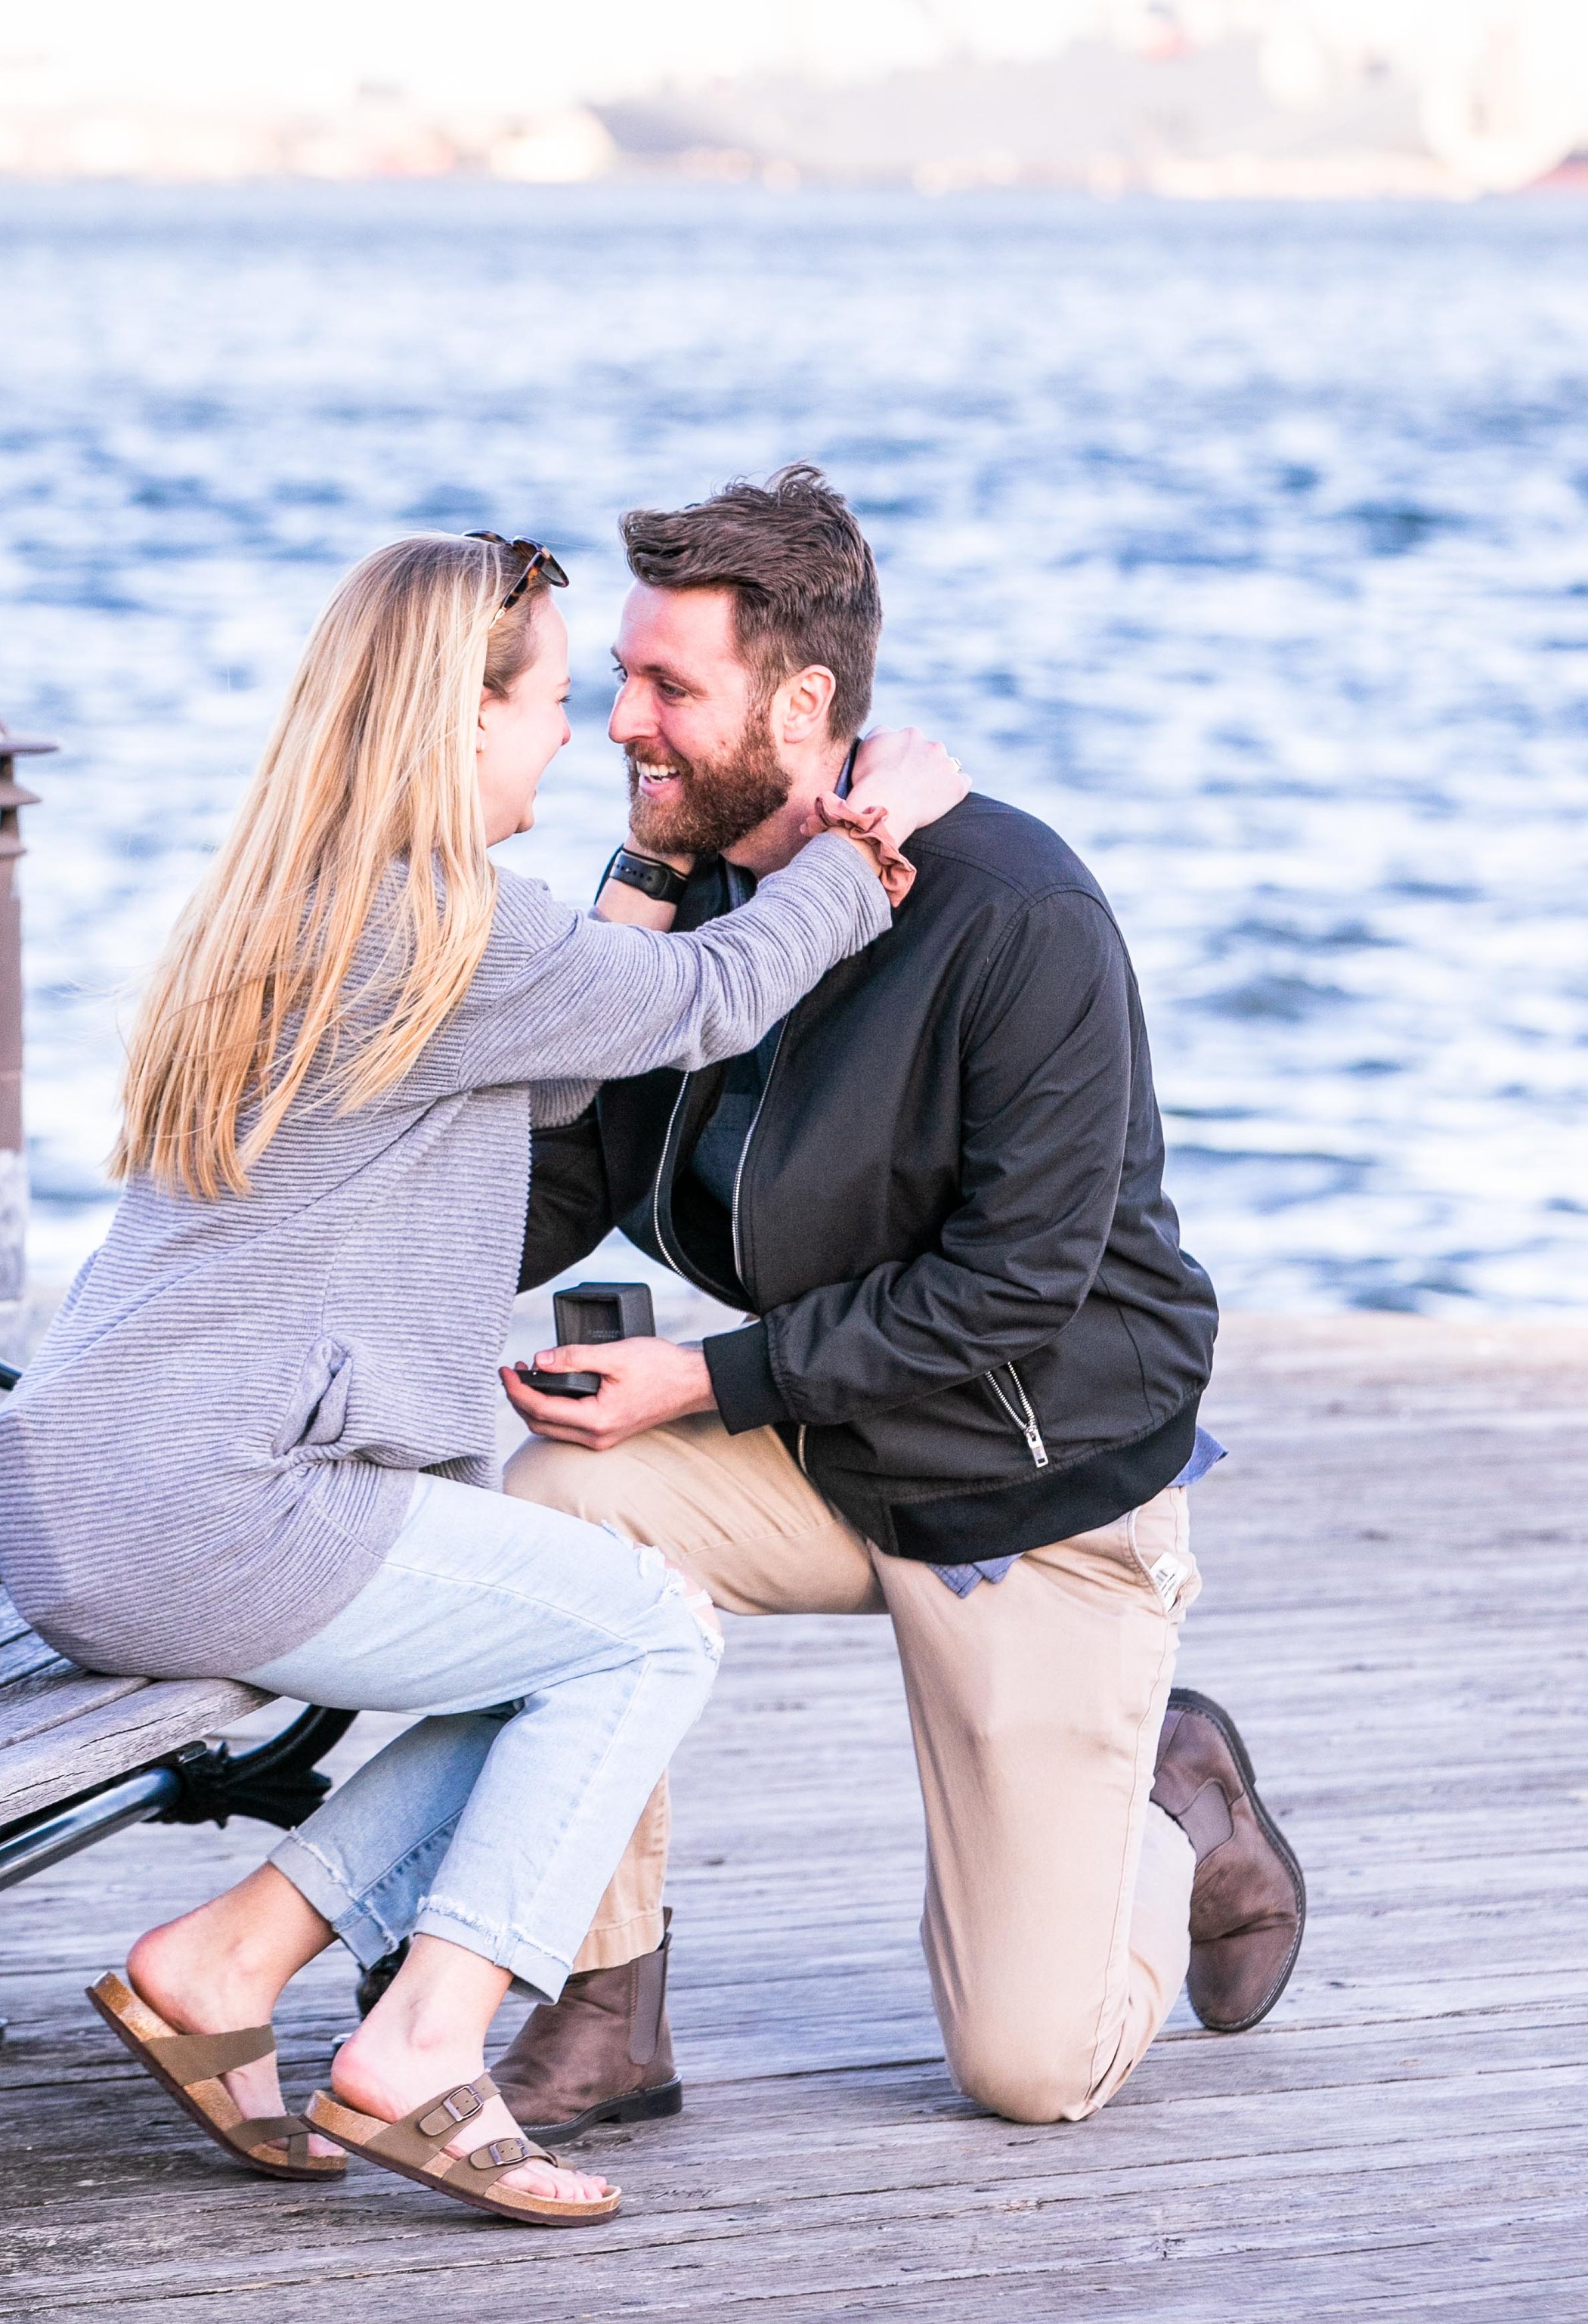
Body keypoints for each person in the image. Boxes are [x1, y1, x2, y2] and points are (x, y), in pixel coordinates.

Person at [0, 525, 967, 2227]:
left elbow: (572, 1050)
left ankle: (228, 1960)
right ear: (458, 723)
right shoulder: (446, 929)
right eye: (554, 704)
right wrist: (866, 845)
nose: (575, 739)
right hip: (211, 1510)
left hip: (111, 1492)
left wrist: (650, 873)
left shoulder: (314, 904)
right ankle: (428, 2044)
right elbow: (709, 1000)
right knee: (645, 1623)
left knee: (568, 1644)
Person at [497, 465, 1307, 2141]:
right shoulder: (696, 882)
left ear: (800, 704)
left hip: (1031, 1495)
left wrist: (703, 1382)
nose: (617, 724)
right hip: (821, 1451)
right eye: (619, 678)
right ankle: (606, 2004)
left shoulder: (1015, 917)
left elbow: (1010, 1291)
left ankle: (1177, 1801)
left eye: (666, 687)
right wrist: (608, 941)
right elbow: (553, 1199)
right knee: (566, 1502)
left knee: (1027, 2070)